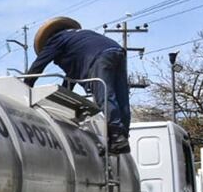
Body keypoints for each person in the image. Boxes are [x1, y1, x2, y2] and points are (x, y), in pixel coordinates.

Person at [24, 17, 131, 154]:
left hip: (100, 58)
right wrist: (65, 94)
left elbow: (40, 64)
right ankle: (122, 138)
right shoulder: (80, 38)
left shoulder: (56, 40)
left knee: (104, 95)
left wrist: (26, 84)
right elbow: (71, 76)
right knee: (121, 98)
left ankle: (116, 136)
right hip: (117, 51)